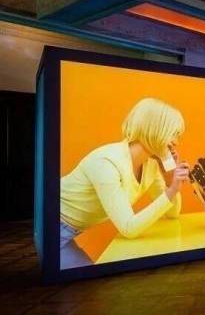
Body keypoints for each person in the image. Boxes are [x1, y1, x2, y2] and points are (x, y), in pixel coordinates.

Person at [59, 98, 189, 267]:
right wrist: (171, 191)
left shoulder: (150, 164)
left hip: (73, 227)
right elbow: (129, 228)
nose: (176, 143)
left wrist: (170, 181)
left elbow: (173, 214)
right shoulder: (106, 163)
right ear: (155, 129)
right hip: (52, 223)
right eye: (173, 134)